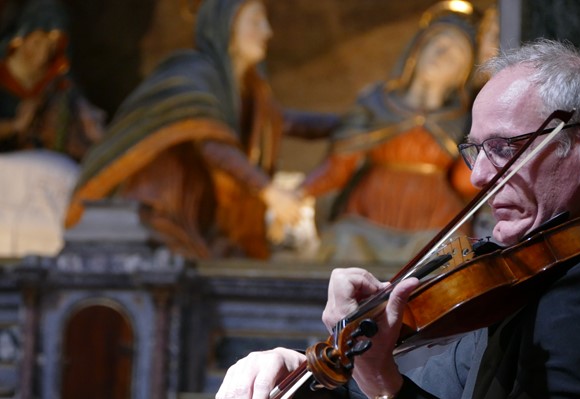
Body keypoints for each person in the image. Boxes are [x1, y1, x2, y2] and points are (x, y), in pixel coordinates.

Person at [215, 39, 580, 399]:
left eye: (506, 147)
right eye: (475, 150)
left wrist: (384, 384)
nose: (480, 176)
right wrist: (290, 384)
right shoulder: (527, 276)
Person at [65, 0, 338, 260]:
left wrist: (357, 124)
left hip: (195, 220)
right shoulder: (193, 73)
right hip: (160, 212)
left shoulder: (244, 90)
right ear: (226, 26)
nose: (267, 31)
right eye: (255, 21)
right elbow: (211, 143)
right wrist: (270, 192)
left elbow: (281, 122)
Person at [297, 4, 484, 264]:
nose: (442, 55)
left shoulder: (463, 119)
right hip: (368, 216)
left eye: (456, 55)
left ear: (460, 77)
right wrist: (298, 194)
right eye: (438, 44)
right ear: (417, 50)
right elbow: (338, 168)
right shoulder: (375, 102)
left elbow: (466, 182)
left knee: (445, 258)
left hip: (435, 222)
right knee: (344, 244)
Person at [0, 0, 104, 159]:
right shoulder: (3, 70)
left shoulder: (57, 78)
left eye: (51, 47)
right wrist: (16, 126)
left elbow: (87, 122)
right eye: (37, 43)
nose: (43, 55)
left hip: (46, 161)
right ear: (21, 39)